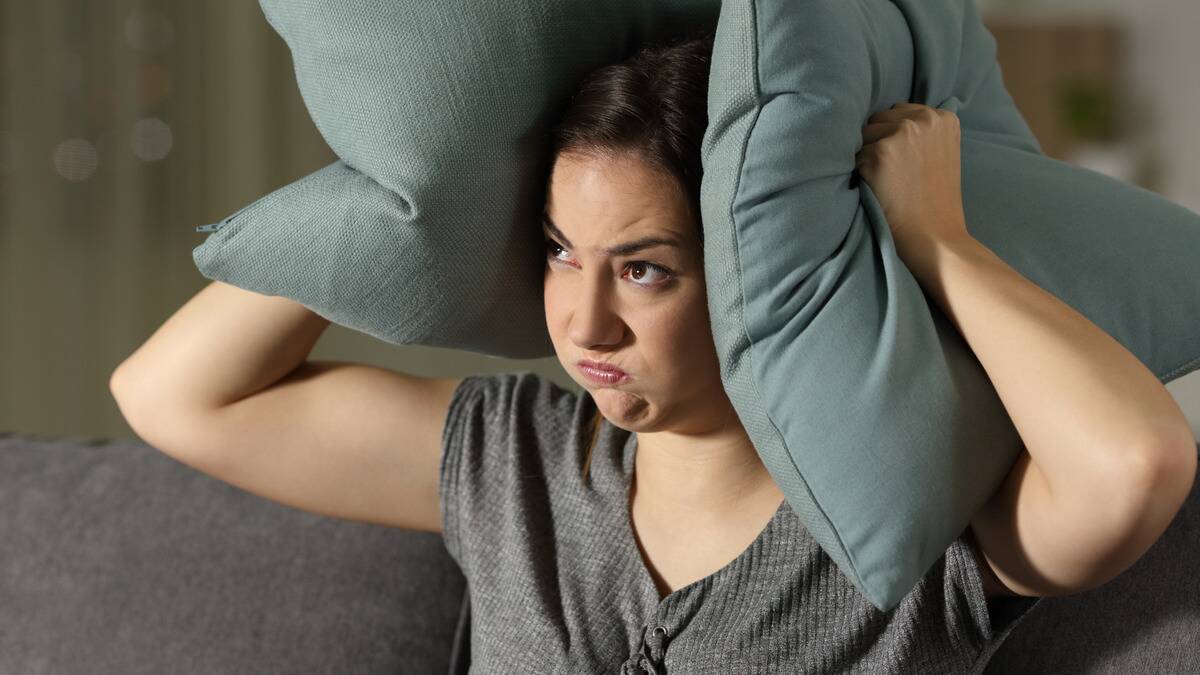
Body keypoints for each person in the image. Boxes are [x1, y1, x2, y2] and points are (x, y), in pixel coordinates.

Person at [110, 28, 1195, 675]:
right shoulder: (514, 460)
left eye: (644, 269)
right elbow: (173, 397)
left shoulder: (915, 513)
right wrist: (405, 188)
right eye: (557, 253)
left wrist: (938, 242)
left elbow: (1134, 463)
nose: (583, 327)